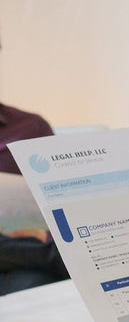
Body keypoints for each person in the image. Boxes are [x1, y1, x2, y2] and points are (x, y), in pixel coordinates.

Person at [0, 100, 68, 294]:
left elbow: (63, 191)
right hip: (28, 253)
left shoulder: (31, 127)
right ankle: (60, 259)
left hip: (25, 253)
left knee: (37, 286)